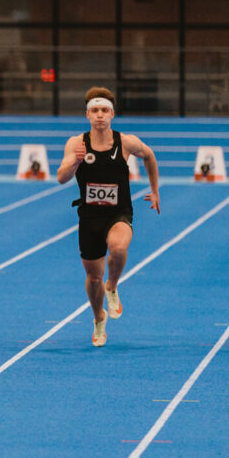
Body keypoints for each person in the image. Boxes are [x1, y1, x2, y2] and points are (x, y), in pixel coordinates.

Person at [56, 87, 160, 347]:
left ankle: (112, 285)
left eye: (104, 110)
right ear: (87, 115)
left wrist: (154, 191)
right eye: (94, 111)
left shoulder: (125, 142)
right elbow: (61, 177)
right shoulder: (76, 143)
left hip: (119, 212)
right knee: (93, 277)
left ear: (112, 114)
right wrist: (75, 162)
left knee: (119, 247)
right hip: (89, 217)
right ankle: (98, 317)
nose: (100, 115)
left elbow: (149, 156)